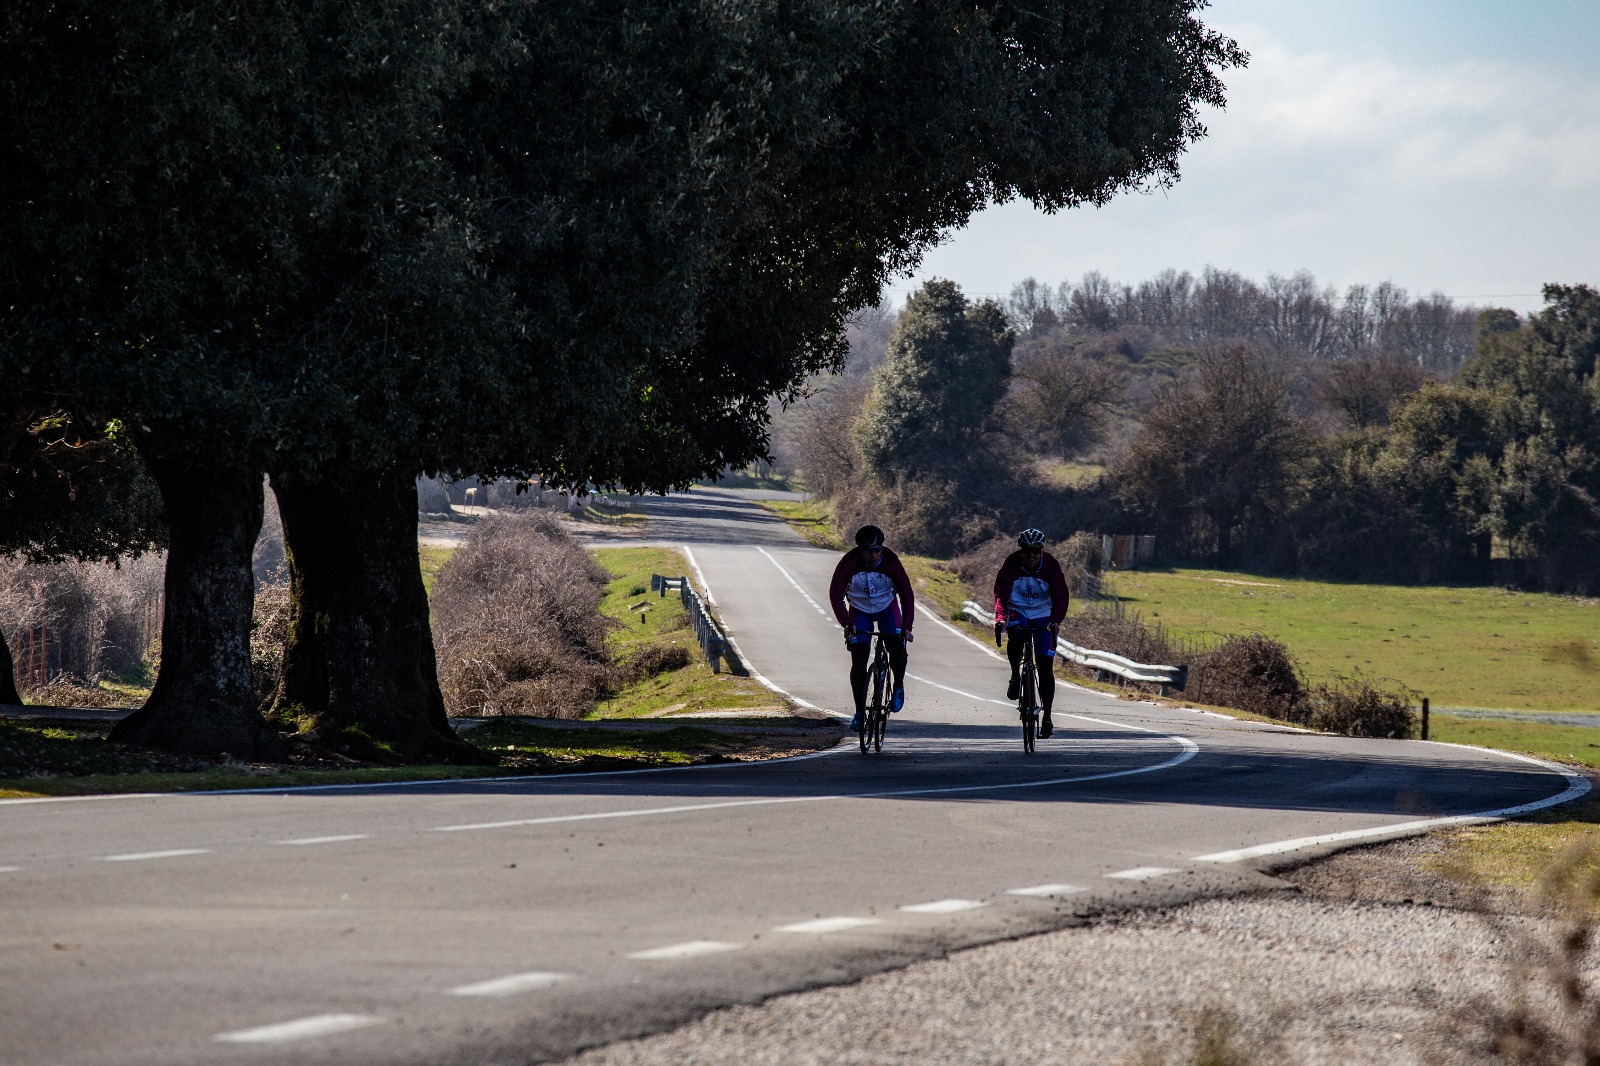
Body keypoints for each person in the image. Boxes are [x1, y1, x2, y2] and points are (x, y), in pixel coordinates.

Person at [829, 524, 914, 731]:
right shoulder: (848, 563)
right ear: (860, 550)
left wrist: (907, 626)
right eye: (868, 551)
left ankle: (899, 686)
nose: (874, 555)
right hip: (859, 610)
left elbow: (906, 594)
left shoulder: (890, 561)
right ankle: (859, 713)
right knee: (859, 659)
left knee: (896, 647)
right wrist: (846, 623)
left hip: (886, 607)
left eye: (878, 550)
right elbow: (835, 594)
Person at [993, 527, 1070, 738]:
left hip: (1043, 613)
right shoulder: (1011, 564)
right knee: (1016, 635)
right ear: (1021, 551)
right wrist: (1001, 619)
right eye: (1026, 550)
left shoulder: (1051, 566)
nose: (1031, 555)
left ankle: (1047, 717)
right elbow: (1000, 594)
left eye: (1035, 551)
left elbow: (1062, 597)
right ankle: (1015, 676)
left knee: (1045, 666)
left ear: (1042, 551)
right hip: (1018, 609)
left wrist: (1055, 621)